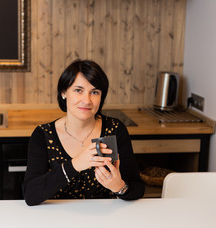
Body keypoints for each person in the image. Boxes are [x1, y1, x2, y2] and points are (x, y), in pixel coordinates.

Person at [23, 59, 145, 206]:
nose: (87, 100)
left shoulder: (114, 130)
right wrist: (75, 164)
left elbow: (138, 189)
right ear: (63, 93)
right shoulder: (43, 135)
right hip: (56, 221)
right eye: (78, 90)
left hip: (104, 220)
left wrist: (119, 187)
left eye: (94, 92)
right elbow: (30, 195)